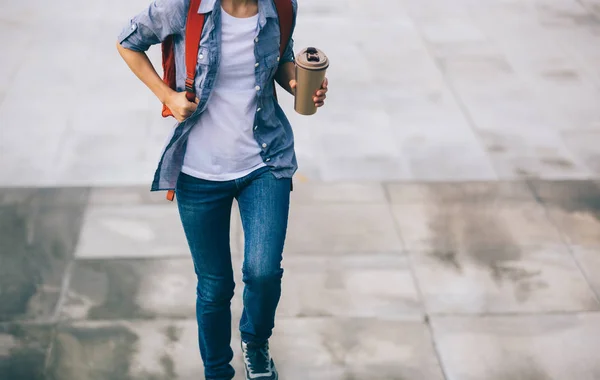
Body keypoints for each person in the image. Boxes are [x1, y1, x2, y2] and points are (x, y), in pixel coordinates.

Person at [116, 0, 327, 379]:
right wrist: (167, 96)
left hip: (264, 162)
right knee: (214, 286)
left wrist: (296, 79)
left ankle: (255, 341)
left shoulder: (280, 6)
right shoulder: (182, 7)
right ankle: (217, 371)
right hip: (198, 172)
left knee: (262, 272)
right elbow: (127, 42)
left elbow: (279, 58)